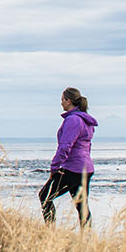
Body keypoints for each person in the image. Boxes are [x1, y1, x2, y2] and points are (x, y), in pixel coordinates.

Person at [40, 87, 97, 228]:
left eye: (62, 100)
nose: (61, 103)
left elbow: (65, 146)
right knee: (81, 205)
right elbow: (87, 146)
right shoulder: (85, 120)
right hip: (86, 168)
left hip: (73, 168)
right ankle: (87, 239)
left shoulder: (73, 120)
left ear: (69, 101)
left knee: (45, 197)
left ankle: (50, 232)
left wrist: (54, 167)